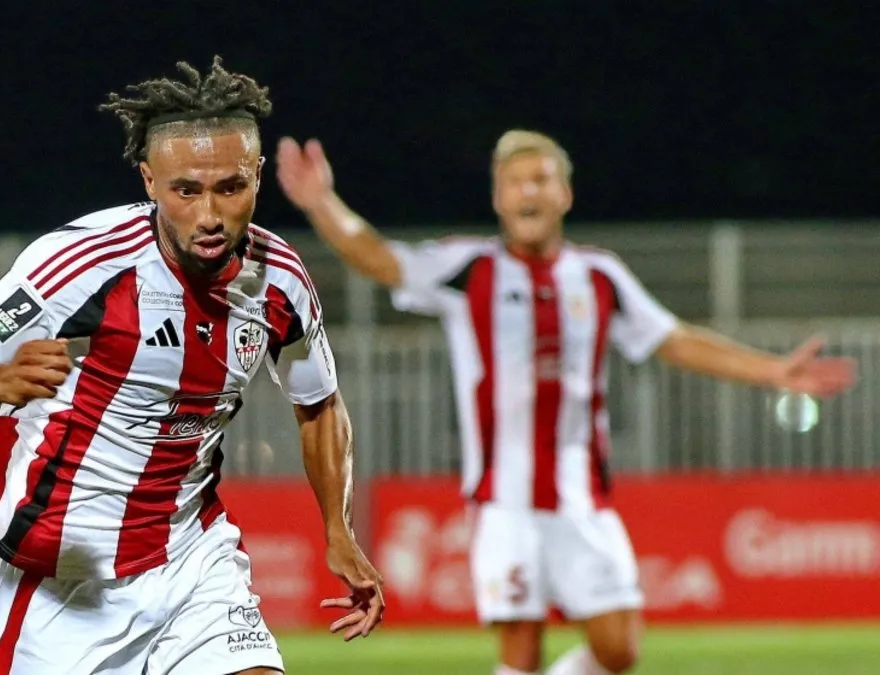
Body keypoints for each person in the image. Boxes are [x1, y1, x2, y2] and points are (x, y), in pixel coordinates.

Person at [274, 129, 856, 675]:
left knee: (620, 648)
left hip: (583, 501)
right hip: (503, 501)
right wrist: (323, 203)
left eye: (541, 179)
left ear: (565, 194)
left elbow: (674, 339)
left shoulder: (599, 276)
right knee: (521, 651)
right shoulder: (470, 269)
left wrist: (771, 370)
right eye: (515, 182)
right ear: (498, 198)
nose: (528, 191)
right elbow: (379, 258)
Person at [0, 57, 384, 675]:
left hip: (192, 556)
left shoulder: (281, 281)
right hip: (65, 570)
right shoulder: (83, 264)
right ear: (150, 181)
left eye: (230, 188)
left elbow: (319, 406)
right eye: (186, 190)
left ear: (258, 177)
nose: (209, 215)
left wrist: (338, 530)